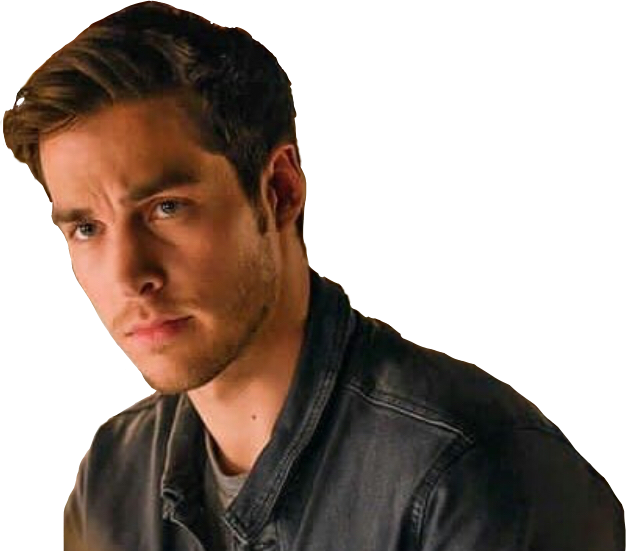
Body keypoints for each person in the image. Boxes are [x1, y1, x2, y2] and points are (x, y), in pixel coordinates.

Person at [3, 2, 623, 550]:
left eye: (167, 208)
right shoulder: (112, 477)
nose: (128, 274)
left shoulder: (474, 474)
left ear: (279, 190)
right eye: (87, 228)